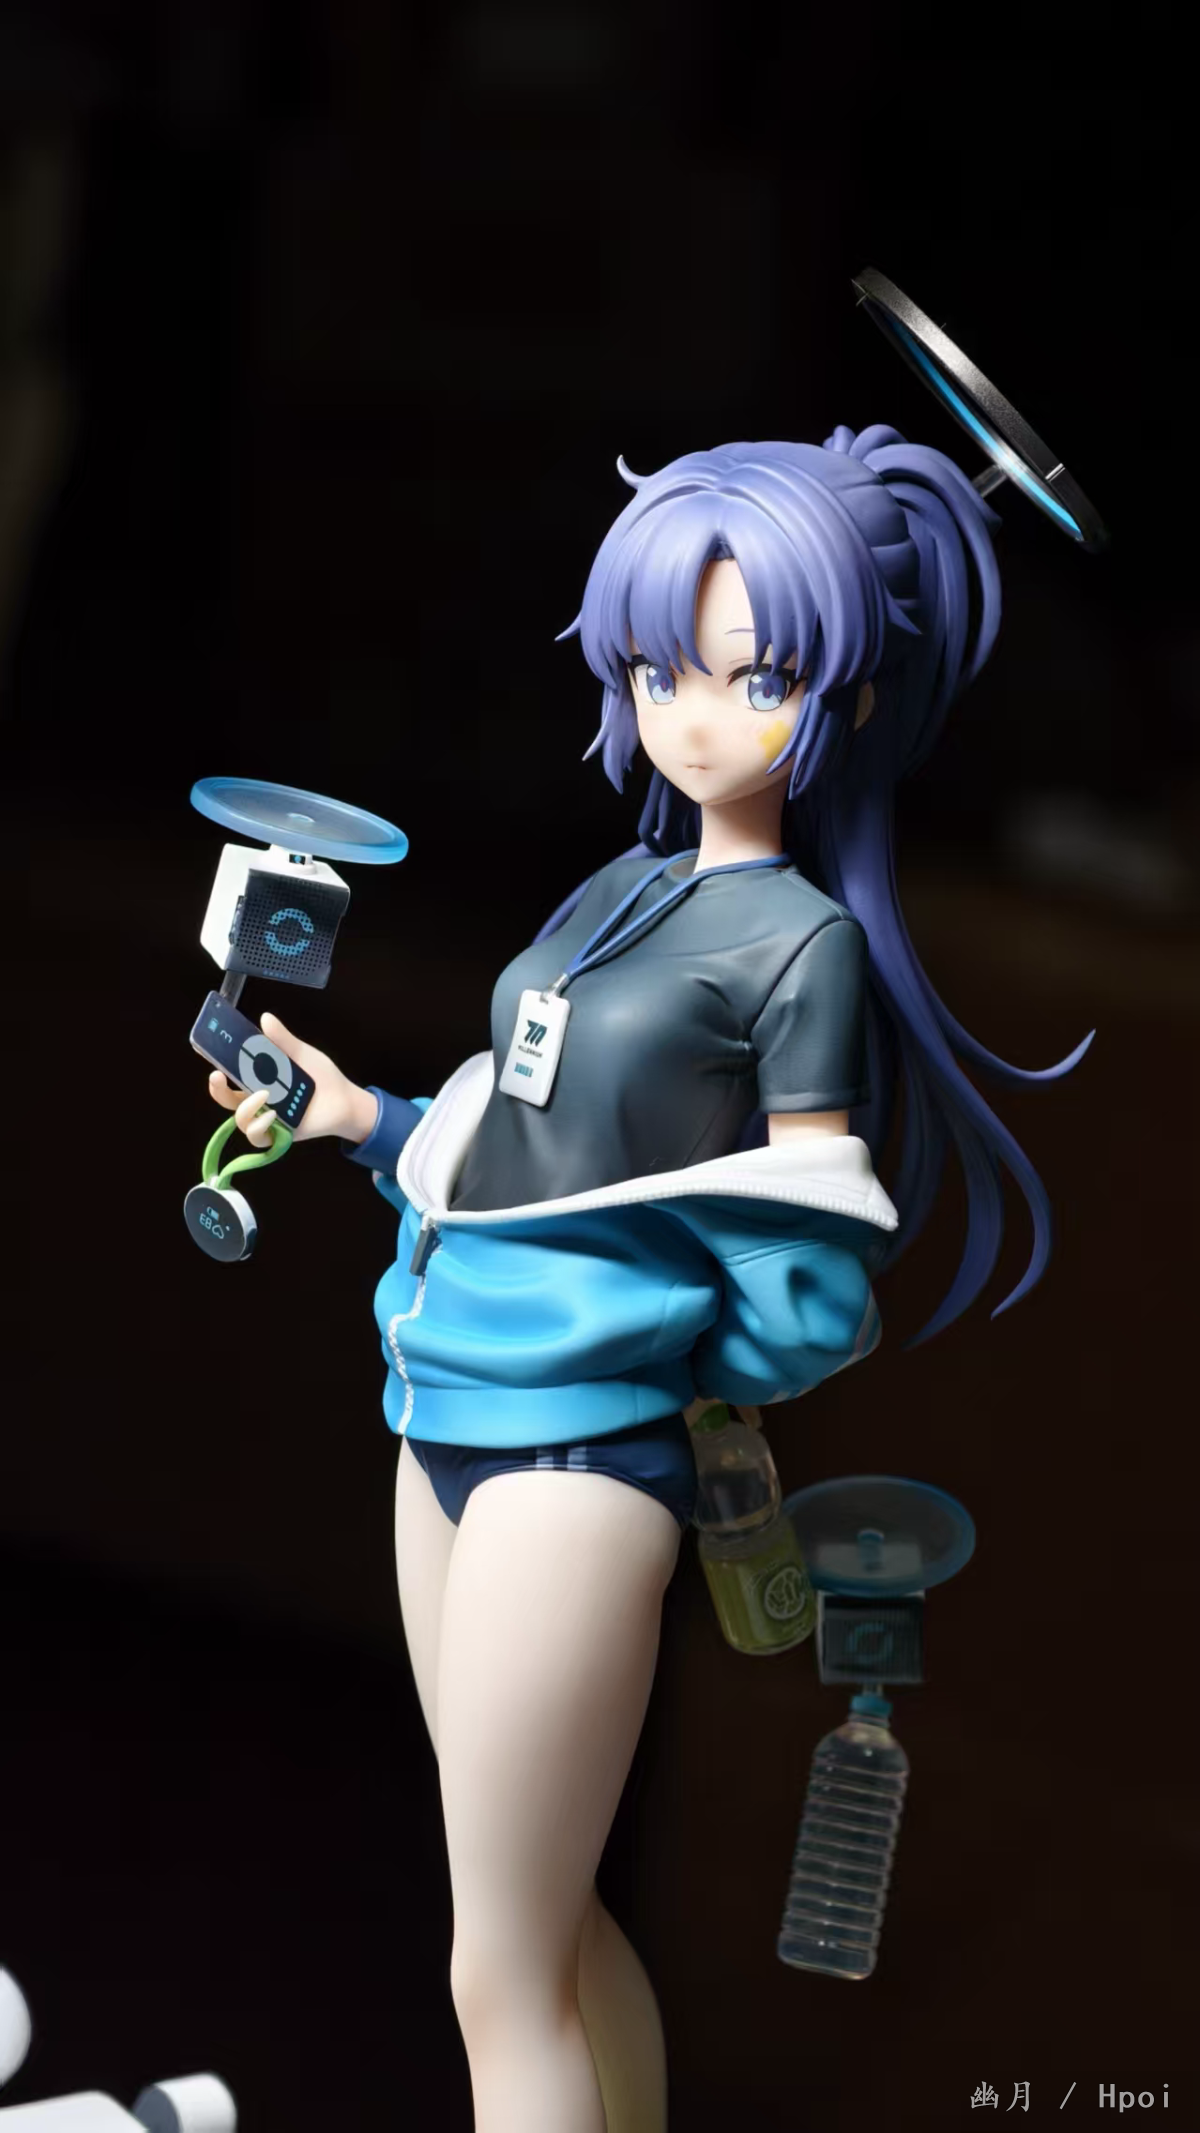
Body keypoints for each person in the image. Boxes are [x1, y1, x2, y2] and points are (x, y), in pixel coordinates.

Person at [207, 428, 1090, 2133]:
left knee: (497, 1974)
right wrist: (358, 1118)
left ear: (843, 692)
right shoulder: (622, 885)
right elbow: (536, 1136)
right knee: (542, 1928)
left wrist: (663, 1346)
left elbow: (808, 1264)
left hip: (577, 1461)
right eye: (659, 667)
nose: (694, 715)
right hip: (443, 1411)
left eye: (756, 677)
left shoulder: (802, 946)